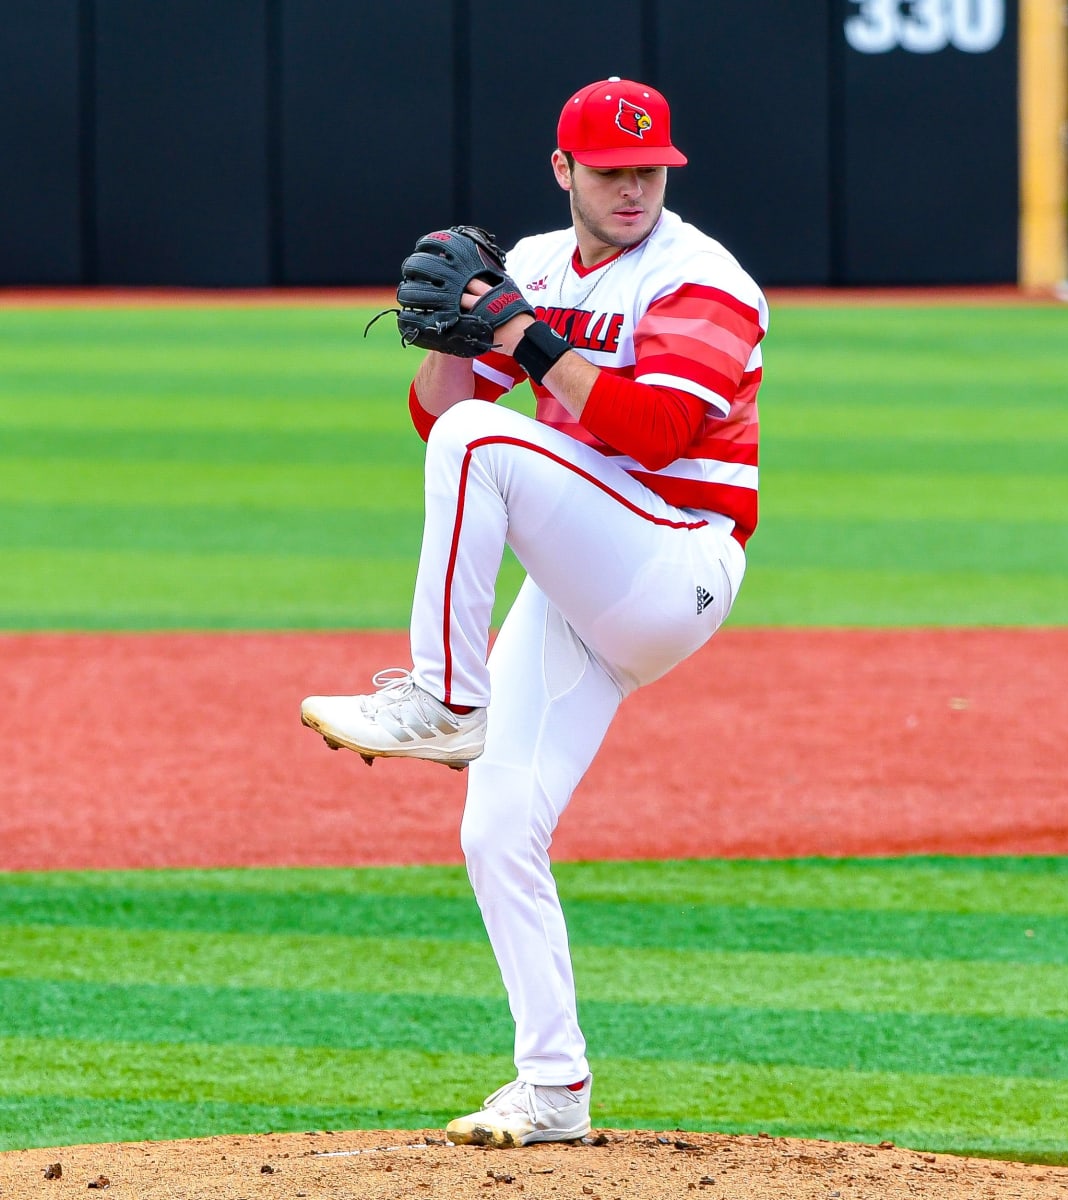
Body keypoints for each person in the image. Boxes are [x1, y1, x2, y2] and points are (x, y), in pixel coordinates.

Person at [301, 76, 767, 1147]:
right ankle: (554, 1089)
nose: (634, 186)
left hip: (673, 564)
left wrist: (526, 341)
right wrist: (455, 340)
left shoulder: (704, 280)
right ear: (564, 172)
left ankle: (444, 699)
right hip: (585, 574)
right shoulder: (540, 267)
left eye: (650, 169)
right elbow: (439, 419)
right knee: (498, 828)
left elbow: (651, 435)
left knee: (486, 453)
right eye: (610, 170)